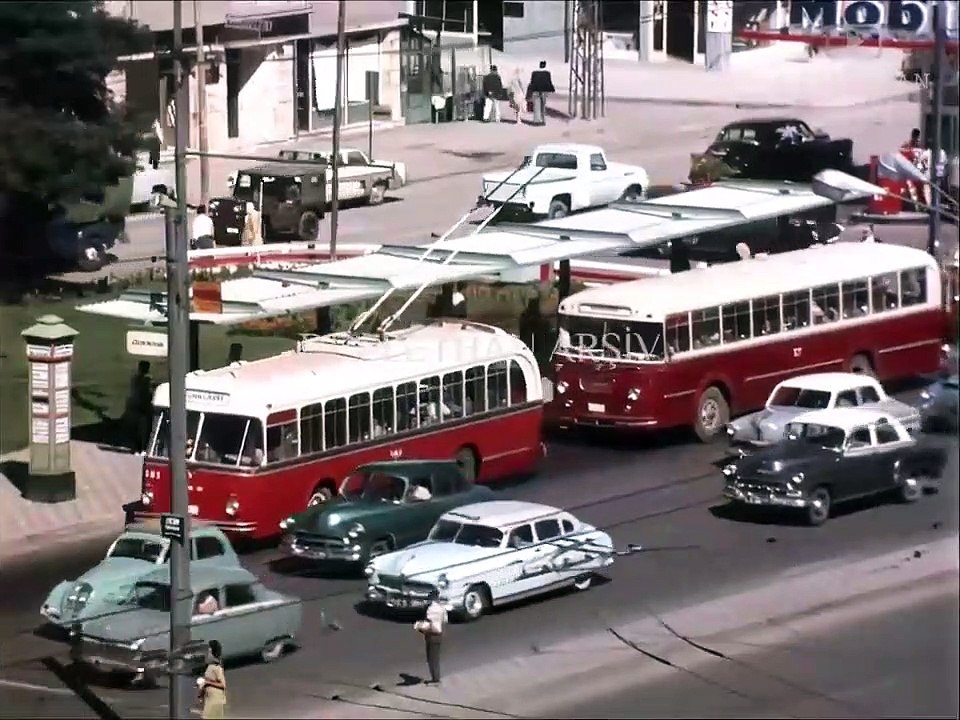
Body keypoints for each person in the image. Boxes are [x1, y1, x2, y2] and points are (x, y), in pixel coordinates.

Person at [416, 591, 447, 685]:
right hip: (439, 634)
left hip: (431, 634)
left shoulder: (430, 609)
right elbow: (445, 620)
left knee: (431, 658)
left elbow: (428, 622)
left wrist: (420, 627)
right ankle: (436, 678)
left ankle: (435, 680)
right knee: (435, 657)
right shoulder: (442, 608)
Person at [124, 361, 152, 453]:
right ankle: (141, 448)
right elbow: (145, 394)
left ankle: (136, 447)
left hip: (134, 407)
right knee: (142, 429)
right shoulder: (145, 380)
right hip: (140, 408)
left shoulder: (135, 379)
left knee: (135, 429)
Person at [198, 639, 227, 719]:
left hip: (215, 702)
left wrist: (207, 682)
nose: (206, 655)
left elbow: (222, 685)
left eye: (208, 652)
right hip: (211, 700)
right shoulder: (210, 667)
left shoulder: (217, 667)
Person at [526, 61, 555, 126]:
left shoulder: (534, 73)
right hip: (544, 91)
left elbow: (532, 82)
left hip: (535, 91)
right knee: (543, 106)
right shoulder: (547, 73)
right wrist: (552, 89)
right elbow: (549, 83)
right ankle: (543, 120)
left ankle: (536, 121)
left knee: (536, 106)